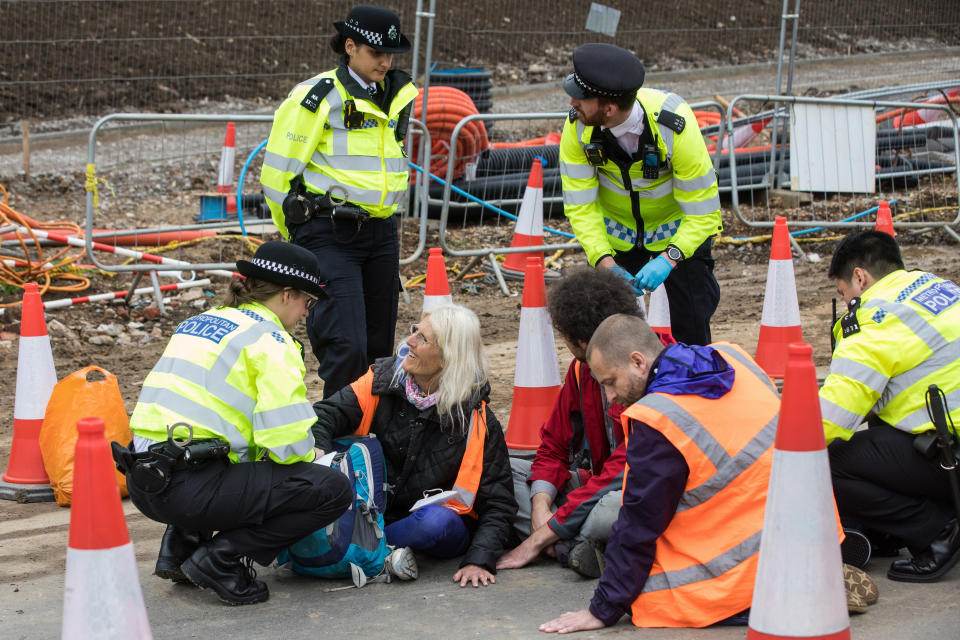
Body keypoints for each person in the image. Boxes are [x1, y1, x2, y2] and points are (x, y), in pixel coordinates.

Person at [115, 241, 353, 605]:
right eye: (309, 302)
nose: (307, 313)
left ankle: (180, 550)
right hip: (188, 491)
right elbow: (288, 446)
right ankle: (219, 559)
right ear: (287, 294)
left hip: (144, 479)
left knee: (225, 454)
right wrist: (313, 453)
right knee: (331, 490)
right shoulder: (273, 342)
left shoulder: (201, 322)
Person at [539, 314, 780, 632]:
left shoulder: (658, 419)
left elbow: (638, 523)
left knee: (648, 593)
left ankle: (746, 602)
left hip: (739, 575)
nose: (610, 397)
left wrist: (603, 608)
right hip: (800, 544)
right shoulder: (734, 356)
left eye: (610, 382)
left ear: (638, 362)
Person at [260, 5, 417, 398]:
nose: (385, 61)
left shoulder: (395, 95)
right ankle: (340, 443)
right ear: (350, 47)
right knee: (346, 348)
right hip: (327, 232)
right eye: (375, 52)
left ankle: (371, 440)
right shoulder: (318, 97)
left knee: (379, 349)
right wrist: (296, 235)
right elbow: (277, 173)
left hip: (381, 233)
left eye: (390, 53)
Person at [312, 304, 516, 588]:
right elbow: (322, 417)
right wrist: (318, 455)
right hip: (370, 513)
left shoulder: (476, 416)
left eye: (423, 339)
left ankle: (365, 548)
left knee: (436, 523)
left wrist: (478, 560)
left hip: (432, 526)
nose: (409, 342)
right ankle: (379, 552)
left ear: (448, 358)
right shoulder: (380, 380)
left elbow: (499, 503)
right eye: (414, 332)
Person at [559, 43, 722, 346]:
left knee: (692, 329)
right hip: (617, 243)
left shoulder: (675, 126)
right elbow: (581, 207)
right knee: (610, 335)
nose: (572, 103)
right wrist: (604, 261)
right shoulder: (578, 127)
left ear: (608, 108)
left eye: (581, 98)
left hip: (679, 239)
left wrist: (670, 258)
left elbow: (704, 213)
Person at [821, 230, 960, 583]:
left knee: (826, 463)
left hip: (952, 459)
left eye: (844, 293)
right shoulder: (937, 288)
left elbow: (827, 423)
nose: (847, 300)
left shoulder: (872, 319)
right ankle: (892, 528)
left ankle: (939, 530)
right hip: (951, 443)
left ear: (859, 277)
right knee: (882, 420)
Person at [497, 268, 641, 577]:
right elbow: (552, 447)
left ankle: (558, 543)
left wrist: (546, 530)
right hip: (593, 486)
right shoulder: (579, 371)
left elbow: (623, 471)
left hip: (629, 488)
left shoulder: (644, 375)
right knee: (501, 470)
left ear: (578, 338)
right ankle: (577, 546)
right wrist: (540, 506)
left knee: (613, 509)